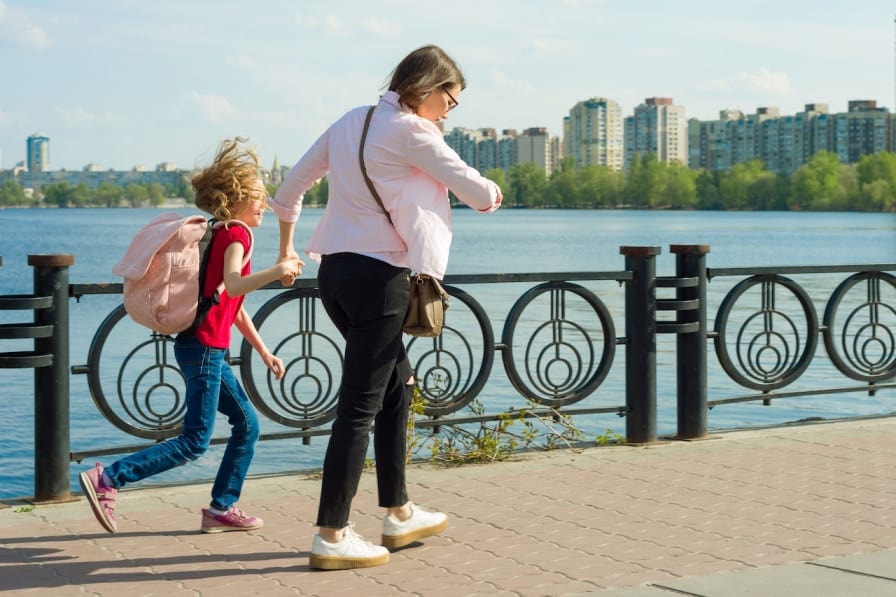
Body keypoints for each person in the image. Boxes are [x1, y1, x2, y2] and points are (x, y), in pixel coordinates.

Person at [270, 44, 502, 570]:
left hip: (336, 273)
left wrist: (286, 248)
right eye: (451, 99)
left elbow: (289, 190)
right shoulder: (413, 132)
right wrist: (493, 192)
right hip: (382, 279)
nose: (449, 111)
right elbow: (478, 194)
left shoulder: (351, 120)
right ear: (426, 88)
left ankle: (398, 512)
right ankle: (331, 533)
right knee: (359, 407)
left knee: (397, 391)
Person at [80, 138, 303, 534]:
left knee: (247, 425)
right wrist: (279, 268)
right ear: (234, 198)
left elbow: (231, 304)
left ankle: (222, 507)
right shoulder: (238, 235)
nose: (264, 204)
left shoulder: (219, 231)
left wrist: (265, 351)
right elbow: (235, 284)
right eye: (257, 197)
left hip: (204, 347)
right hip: (203, 350)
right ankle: (110, 477)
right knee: (195, 441)